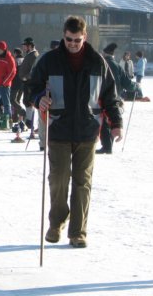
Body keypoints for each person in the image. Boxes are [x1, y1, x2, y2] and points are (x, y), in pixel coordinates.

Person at [30, 16, 123, 248]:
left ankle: (78, 231)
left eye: (77, 40)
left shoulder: (97, 62)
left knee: (83, 182)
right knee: (59, 179)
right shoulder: (49, 61)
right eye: (69, 39)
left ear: (85, 37)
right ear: (64, 36)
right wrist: (39, 99)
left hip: (87, 131)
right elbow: (32, 87)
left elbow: (110, 95)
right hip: (59, 129)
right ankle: (57, 221)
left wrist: (116, 123)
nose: (72, 43)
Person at [96, 43, 137, 155]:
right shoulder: (117, 66)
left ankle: (106, 146)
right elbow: (127, 84)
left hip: (100, 96)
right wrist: (136, 86)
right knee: (112, 120)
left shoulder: (99, 64)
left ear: (104, 53)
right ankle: (108, 145)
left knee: (103, 121)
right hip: (115, 97)